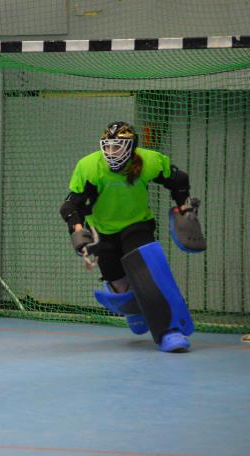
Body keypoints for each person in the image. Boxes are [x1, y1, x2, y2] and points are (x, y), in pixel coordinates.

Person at [59, 122, 202, 353]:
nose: (111, 152)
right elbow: (70, 206)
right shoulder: (89, 167)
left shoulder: (149, 161)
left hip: (137, 225)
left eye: (118, 147)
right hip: (102, 231)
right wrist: (77, 231)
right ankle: (135, 310)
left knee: (149, 275)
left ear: (132, 147)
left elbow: (179, 181)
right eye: (107, 147)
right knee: (119, 285)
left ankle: (170, 331)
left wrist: (185, 209)